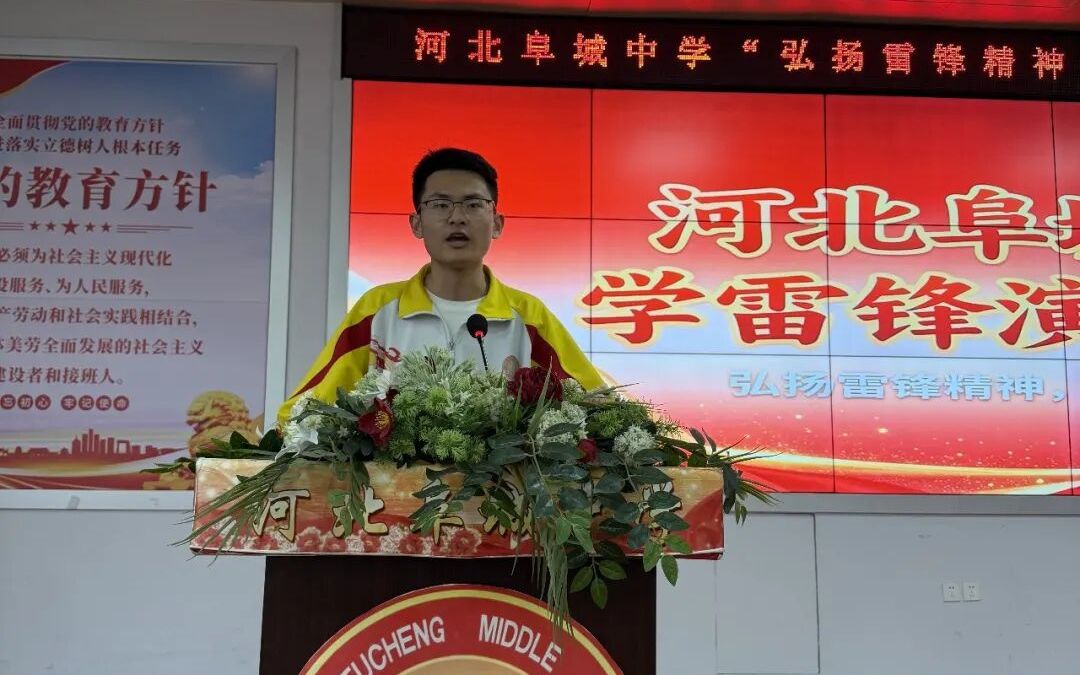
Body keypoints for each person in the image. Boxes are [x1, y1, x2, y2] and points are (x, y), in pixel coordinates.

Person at [277, 148, 603, 425]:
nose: (457, 217)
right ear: (417, 223)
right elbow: (303, 412)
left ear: (497, 223)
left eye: (473, 204)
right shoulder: (377, 310)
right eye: (440, 204)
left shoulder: (529, 317)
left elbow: (600, 410)